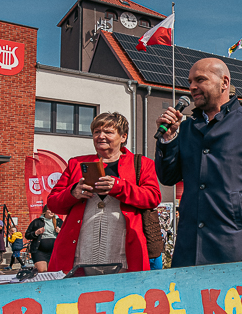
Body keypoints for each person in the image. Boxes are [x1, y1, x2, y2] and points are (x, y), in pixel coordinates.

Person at [155, 58, 242, 266]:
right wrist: (168, 139)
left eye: (200, 80)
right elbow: (168, 177)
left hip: (236, 246)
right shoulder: (186, 128)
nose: (192, 87)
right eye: (190, 82)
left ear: (224, 82)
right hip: (190, 246)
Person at [48, 112, 162, 273]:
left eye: (108, 132)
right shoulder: (76, 163)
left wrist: (119, 187)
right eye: (96, 132)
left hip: (124, 254)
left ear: (123, 137)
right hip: (79, 254)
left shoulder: (143, 164)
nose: (101, 136)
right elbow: (53, 203)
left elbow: (153, 198)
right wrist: (73, 193)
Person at [25, 206, 62, 272]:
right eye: (49, 210)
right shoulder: (37, 221)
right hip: (40, 251)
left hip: (54, 251)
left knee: (52, 272)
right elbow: (27, 235)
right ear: (45, 211)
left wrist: (61, 232)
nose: (51, 211)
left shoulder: (59, 221)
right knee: (42, 271)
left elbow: (68, 235)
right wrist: (36, 233)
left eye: (53, 210)